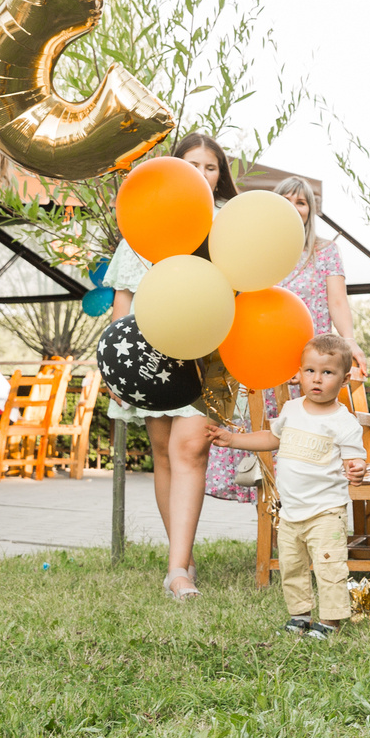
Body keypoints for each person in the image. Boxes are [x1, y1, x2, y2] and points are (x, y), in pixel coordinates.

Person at [108, 131, 252, 598]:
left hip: (210, 354)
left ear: (221, 175)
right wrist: (117, 367)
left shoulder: (230, 227)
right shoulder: (144, 224)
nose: (203, 175)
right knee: (165, 453)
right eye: (193, 165)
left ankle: (177, 573)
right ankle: (181, 556)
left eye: (211, 167)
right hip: (150, 354)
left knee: (191, 449)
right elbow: (123, 302)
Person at [208, 334, 370, 638]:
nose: (317, 379)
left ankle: (331, 622)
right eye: (310, 371)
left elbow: (354, 459)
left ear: (345, 378)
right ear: (299, 373)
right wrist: (234, 439)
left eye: (327, 372)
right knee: (292, 566)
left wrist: (357, 470)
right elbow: (272, 438)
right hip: (290, 511)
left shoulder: (343, 421)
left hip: (326, 511)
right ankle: (300, 615)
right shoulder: (291, 410)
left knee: (329, 567)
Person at [272, 176, 355, 347]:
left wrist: (349, 340)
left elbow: (338, 301)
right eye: (286, 200)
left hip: (312, 354)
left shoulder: (326, 251)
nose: (293, 207)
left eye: (301, 202)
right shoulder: (258, 250)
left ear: (309, 211)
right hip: (267, 346)